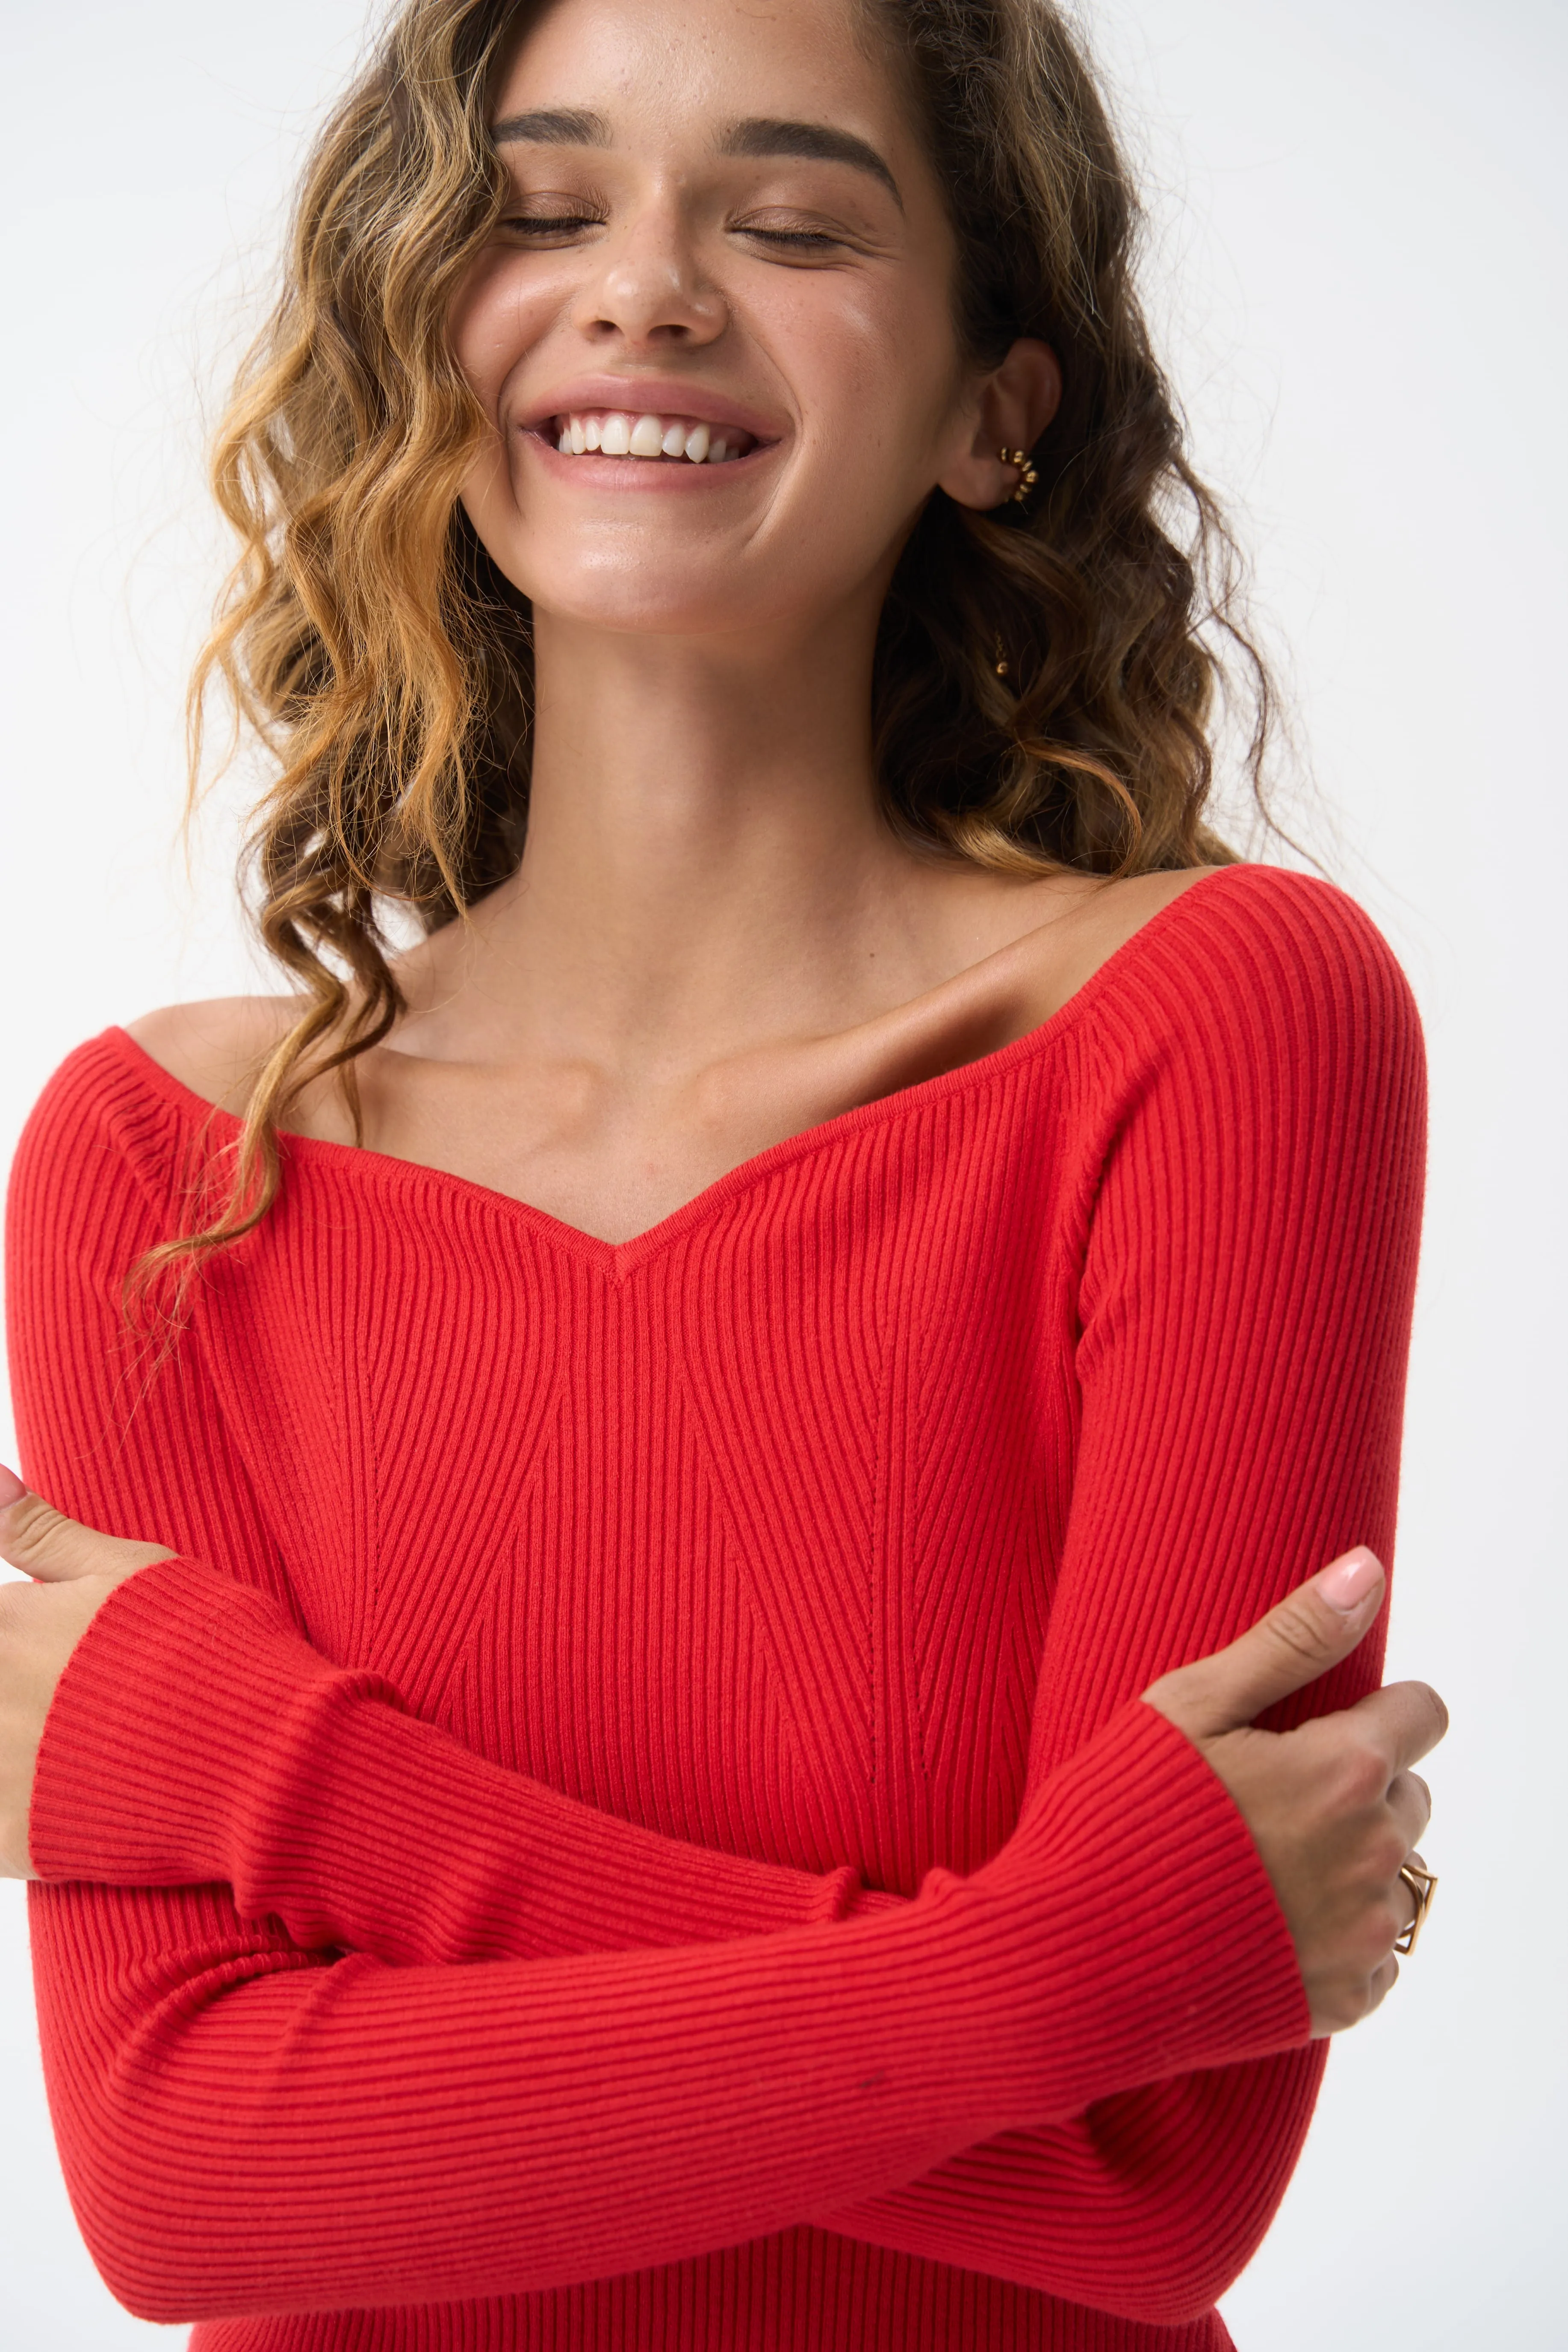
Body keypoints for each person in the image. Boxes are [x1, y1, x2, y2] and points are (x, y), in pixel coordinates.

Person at [0, 0, 1446, 2345]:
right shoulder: (166, 1168)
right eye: (544, 211)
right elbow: (184, 2175)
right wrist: (1060, 1964)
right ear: (422, 336)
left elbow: (1155, 2173)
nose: (647, 287)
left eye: (786, 223)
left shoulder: (1217, 1021)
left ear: (1000, 406)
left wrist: (255, 1759)